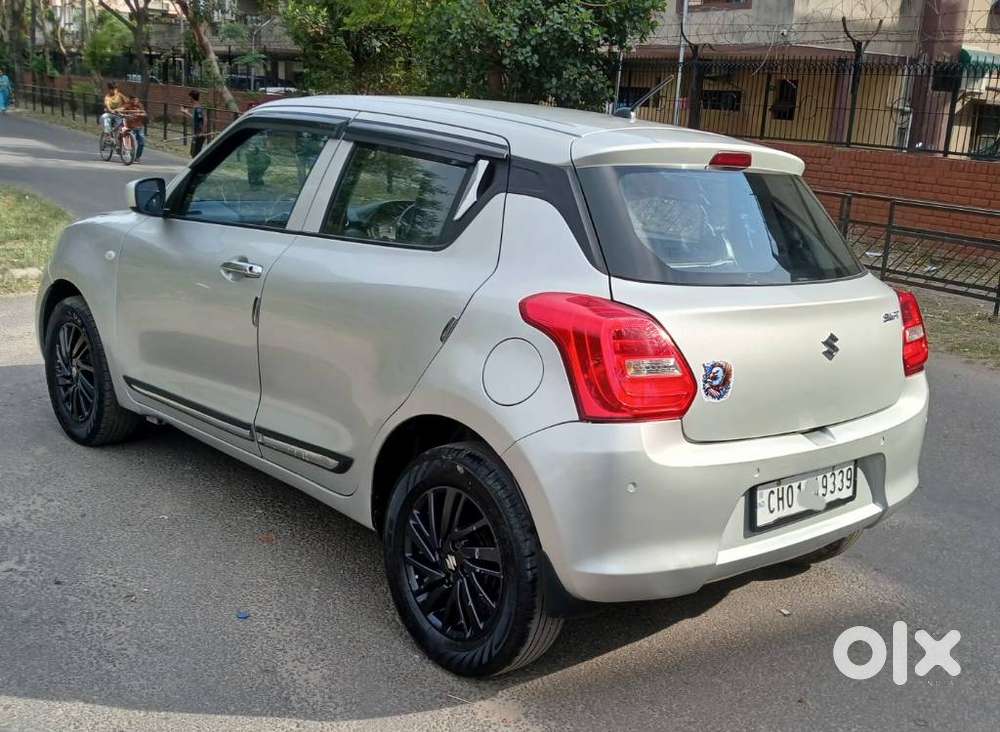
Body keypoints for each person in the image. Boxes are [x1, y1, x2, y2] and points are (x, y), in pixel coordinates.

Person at [121, 95, 147, 162]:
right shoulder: (127, 105)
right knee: (127, 139)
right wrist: (123, 114)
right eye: (134, 100)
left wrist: (140, 114)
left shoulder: (140, 105)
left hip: (139, 126)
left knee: (142, 141)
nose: (136, 101)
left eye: (137, 100)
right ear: (130, 100)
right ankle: (125, 152)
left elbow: (144, 113)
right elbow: (121, 110)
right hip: (129, 126)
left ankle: (137, 157)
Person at [181, 89, 206, 158]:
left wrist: (201, 132)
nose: (189, 99)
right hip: (195, 134)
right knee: (193, 154)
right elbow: (195, 119)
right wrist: (186, 112)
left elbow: (203, 120)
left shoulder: (198, 108)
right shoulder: (196, 108)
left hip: (198, 134)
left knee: (195, 155)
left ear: (191, 97)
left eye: (189, 97)